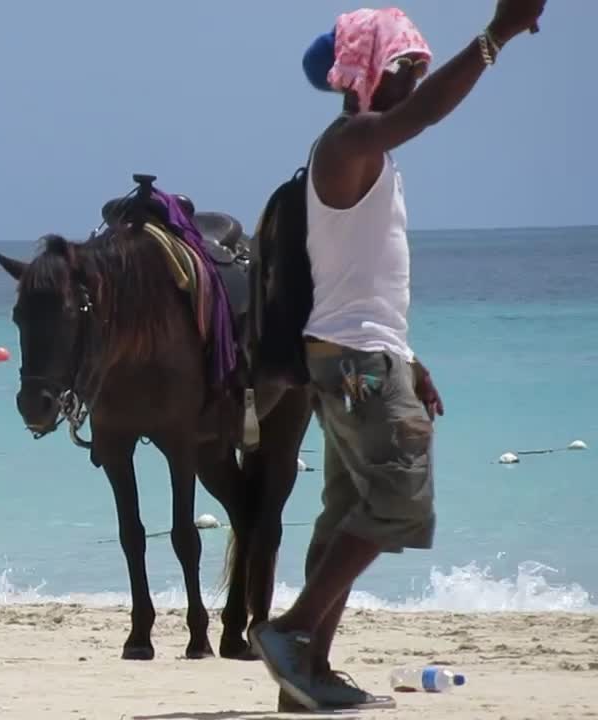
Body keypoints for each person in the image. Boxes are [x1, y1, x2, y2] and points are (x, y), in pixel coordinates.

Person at [249, 1, 547, 711]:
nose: (414, 77)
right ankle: (290, 633)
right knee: (399, 505)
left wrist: (407, 358)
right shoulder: (353, 140)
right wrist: (496, 34)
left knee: (347, 514)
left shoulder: (361, 149)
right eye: (404, 67)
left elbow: (365, 282)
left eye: (416, 66)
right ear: (365, 74)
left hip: (359, 357)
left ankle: (306, 679)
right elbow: (424, 117)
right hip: (357, 366)